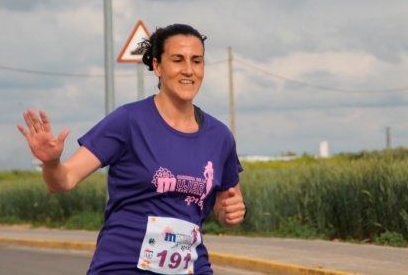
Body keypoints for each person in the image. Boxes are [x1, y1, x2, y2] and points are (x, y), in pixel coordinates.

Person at [17, 23, 246, 275]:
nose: (188, 70)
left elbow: (227, 206)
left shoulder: (219, 136)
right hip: (123, 266)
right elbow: (63, 180)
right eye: (178, 60)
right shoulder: (128, 121)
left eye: (197, 61)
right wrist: (51, 163)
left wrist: (230, 214)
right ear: (158, 66)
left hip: (190, 267)